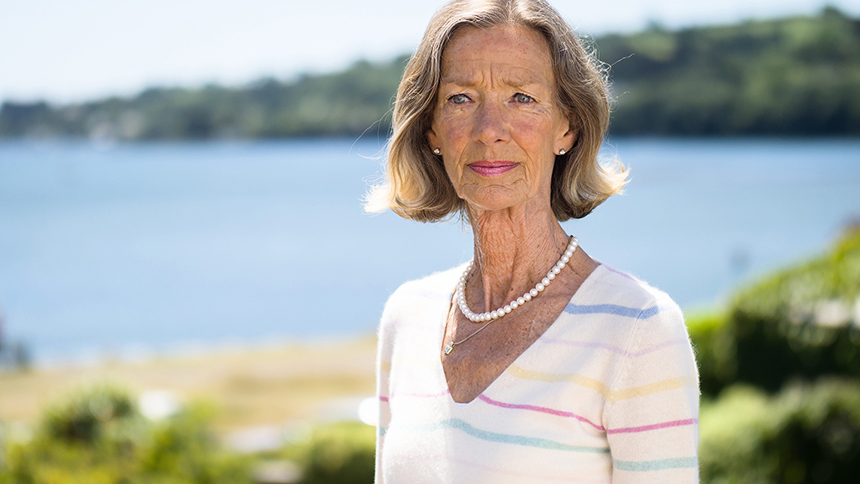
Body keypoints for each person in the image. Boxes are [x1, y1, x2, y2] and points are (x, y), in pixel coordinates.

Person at [366, 0, 700, 482]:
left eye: (521, 97)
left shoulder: (639, 330)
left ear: (567, 126)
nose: (490, 131)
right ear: (431, 128)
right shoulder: (406, 316)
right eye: (461, 98)